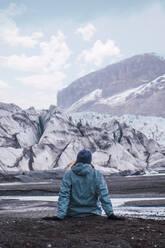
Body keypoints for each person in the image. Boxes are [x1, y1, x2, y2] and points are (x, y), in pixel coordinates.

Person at [44, 149, 124, 221]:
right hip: (93, 213)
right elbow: (104, 195)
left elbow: (64, 195)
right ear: (90, 161)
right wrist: (110, 214)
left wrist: (60, 216)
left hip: (72, 214)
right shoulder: (96, 174)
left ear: (77, 160)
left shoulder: (69, 174)